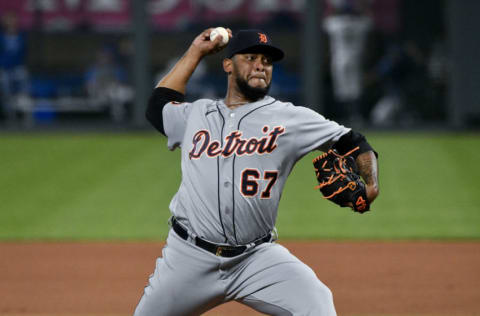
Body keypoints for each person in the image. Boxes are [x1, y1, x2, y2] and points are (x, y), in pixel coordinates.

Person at [134, 28, 379, 316]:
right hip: (188, 257)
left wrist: (371, 184)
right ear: (228, 64)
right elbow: (157, 106)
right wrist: (196, 51)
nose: (260, 65)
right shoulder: (196, 114)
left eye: (266, 60)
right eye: (250, 57)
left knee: (318, 303)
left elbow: (355, 142)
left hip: (256, 258)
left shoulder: (290, 118)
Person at [0, 11, 30, 122]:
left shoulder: (21, 35)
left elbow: (24, 52)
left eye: (12, 19)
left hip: (18, 67)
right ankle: (10, 115)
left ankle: (25, 115)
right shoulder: (1, 36)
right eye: (8, 20)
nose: (11, 22)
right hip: (4, 68)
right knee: (6, 92)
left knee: (23, 91)